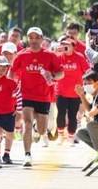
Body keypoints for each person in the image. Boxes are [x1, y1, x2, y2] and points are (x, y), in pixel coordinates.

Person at [10, 27, 63, 167]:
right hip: (26, 94)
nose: (33, 40)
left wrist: (52, 76)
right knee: (26, 122)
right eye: (30, 37)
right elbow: (12, 74)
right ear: (28, 39)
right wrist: (11, 88)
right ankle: (27, 155)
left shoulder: (50, 55)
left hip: (44, 96)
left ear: (41, 38)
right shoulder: (21, 55)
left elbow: (61, 73)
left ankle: (37, 129)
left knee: (42, 130)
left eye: (36, 37)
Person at [55, 37, 90, 145]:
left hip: (75, 93)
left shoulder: (79, 57)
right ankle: (60, 135)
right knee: (60, 114)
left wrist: (87, 86)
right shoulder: (58, 57)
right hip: (61, 92)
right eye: (63, 44)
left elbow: (87, 71)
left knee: (72, 115)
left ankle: (71, 137)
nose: (65, 46)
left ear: (73, 46)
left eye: (67, 44)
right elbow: (53, 70)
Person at [74, 70, 98, 150]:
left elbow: (94, 111)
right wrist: (81, 95)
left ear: (97, 83)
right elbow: (90, 108)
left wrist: (86, 116)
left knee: (91, 125)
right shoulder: (95, 95)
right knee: (80, 132)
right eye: (85, 84)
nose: (86, 86)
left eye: (89, 83)